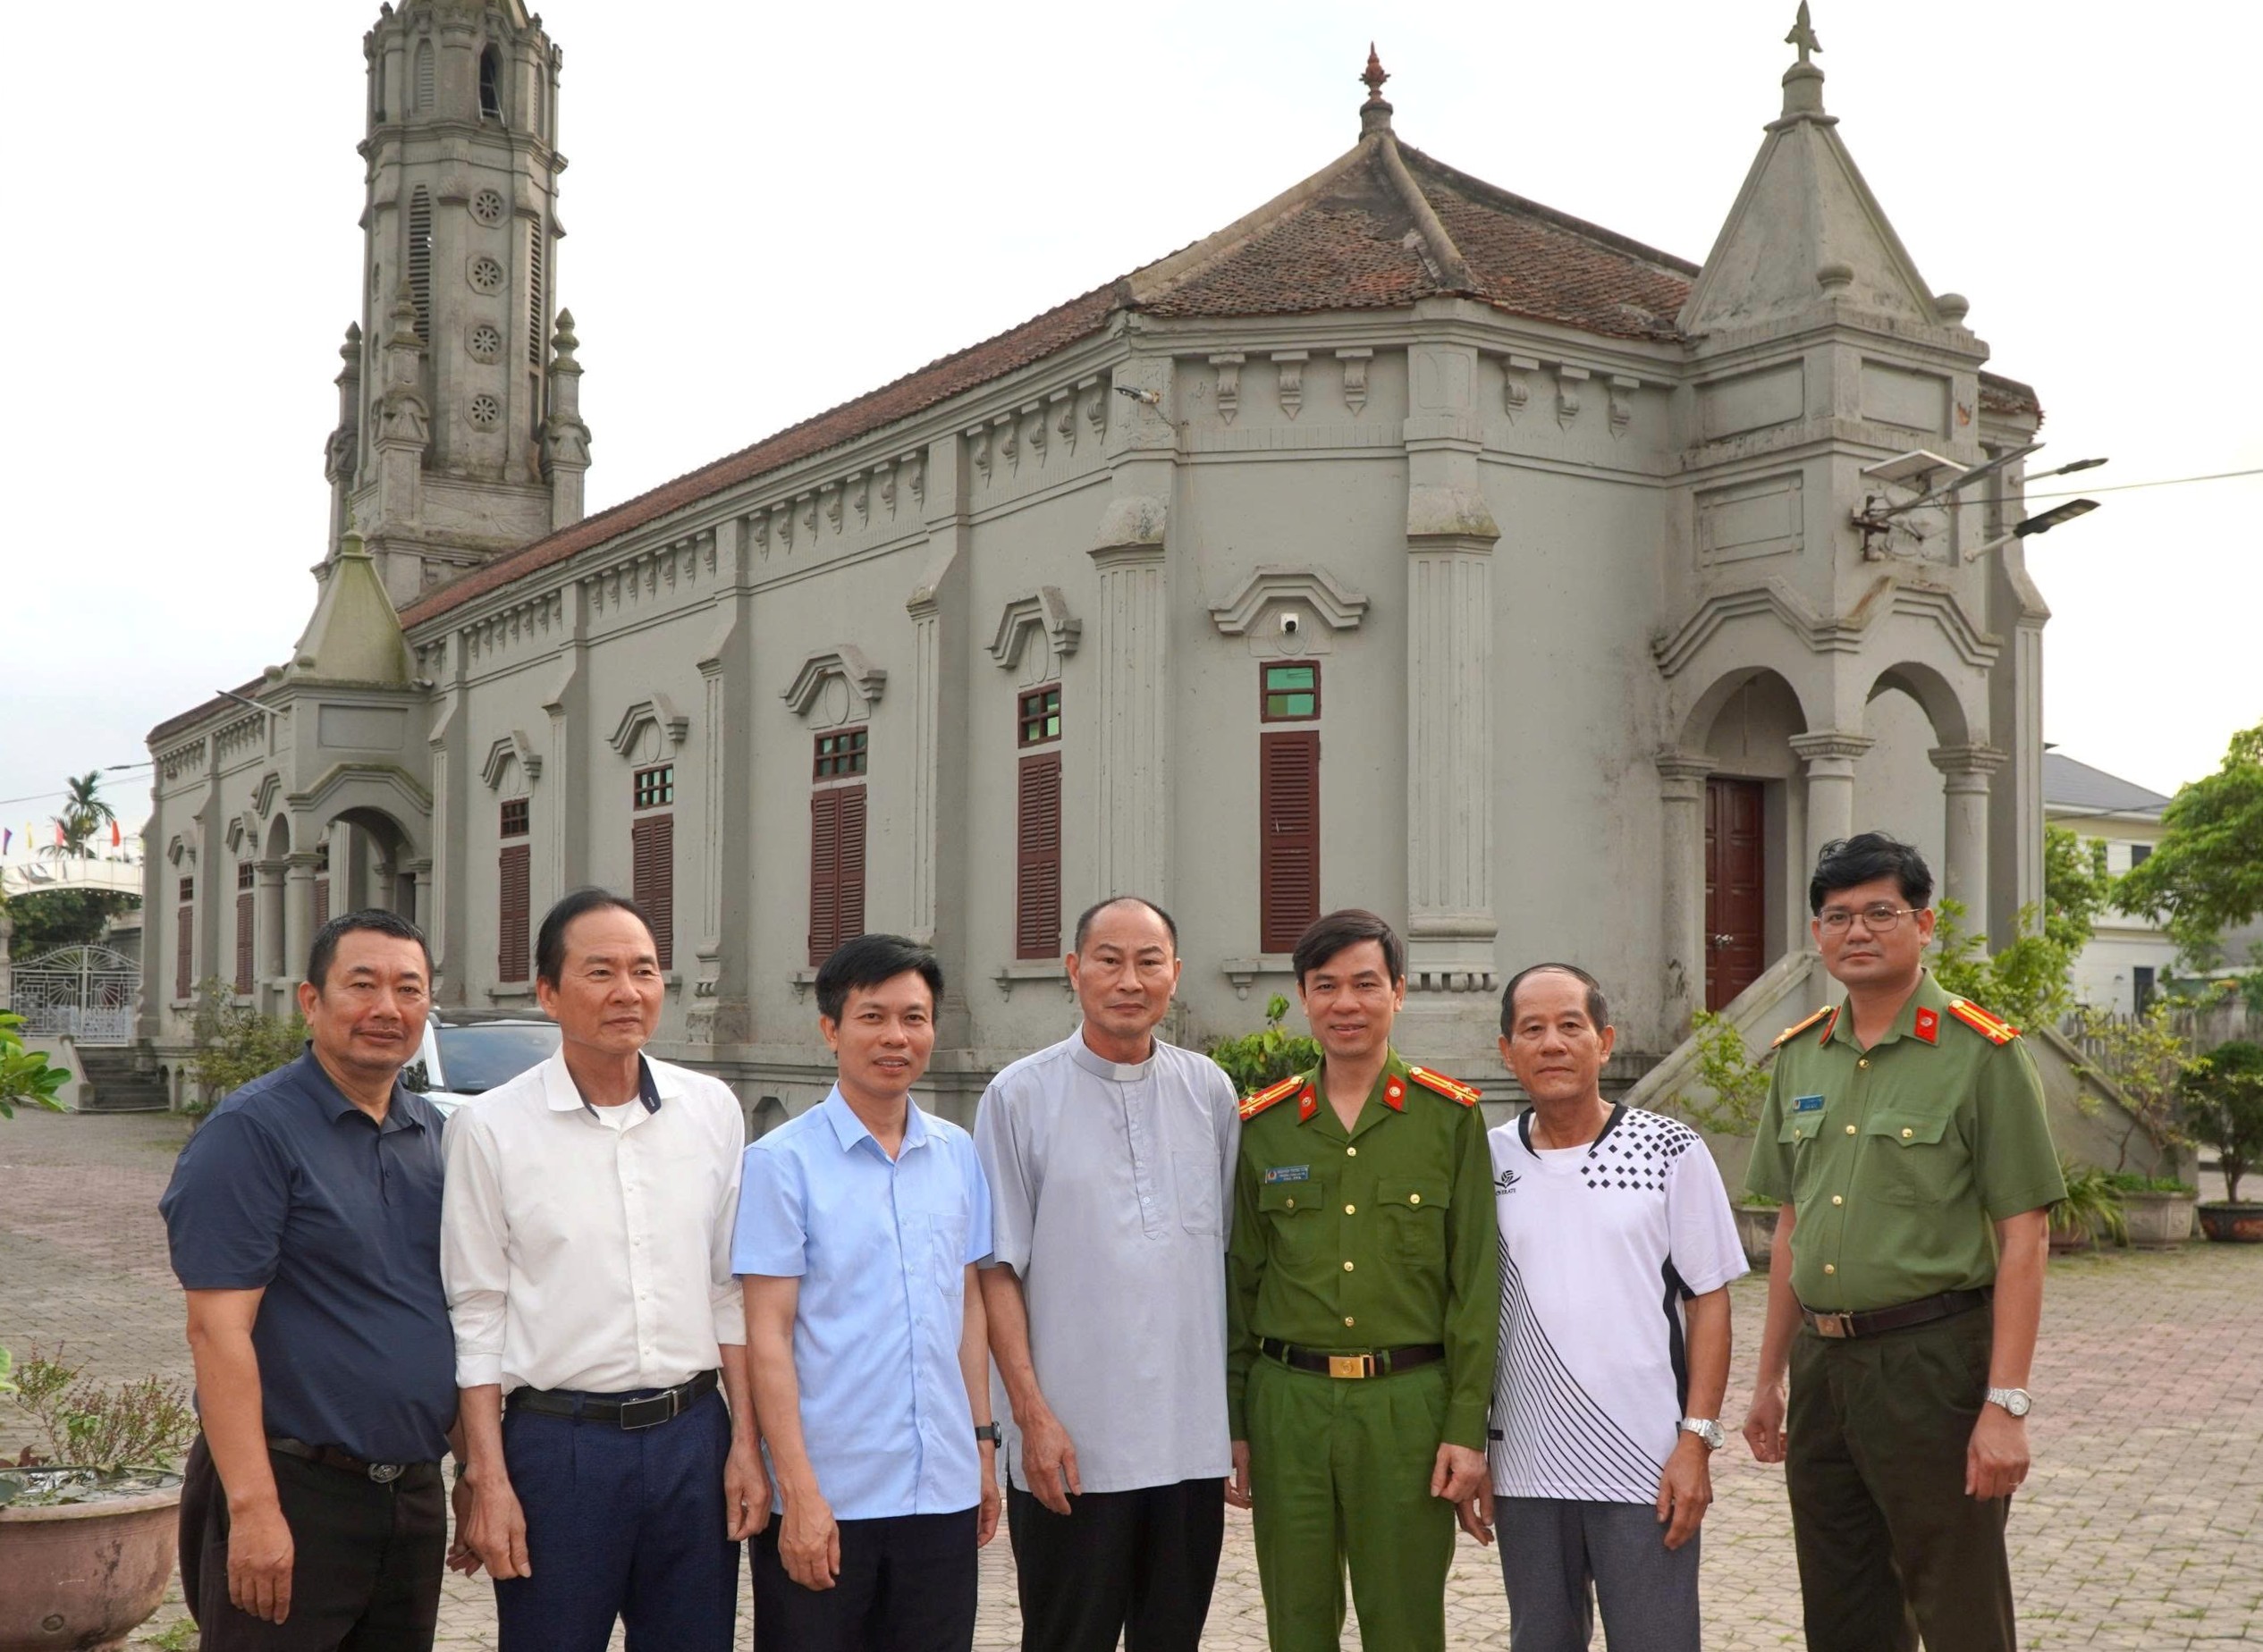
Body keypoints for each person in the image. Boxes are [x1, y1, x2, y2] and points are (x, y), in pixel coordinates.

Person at [1743, 833, 2065, 1652]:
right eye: (1837, 916)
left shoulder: (1980, 1054)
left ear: (1923, 925)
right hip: (1823, 1366)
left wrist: (2005, 1406)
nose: (1856, 931)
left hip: (1931, 1363)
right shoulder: (1800, 1058)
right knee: (1842, 1610)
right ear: (1816, 935)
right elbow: (1790, 1227)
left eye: (1879, 912)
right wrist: (1768, 1379)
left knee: (1956, 1607)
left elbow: (2023, 1237)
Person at [441, 889, 764, 1652]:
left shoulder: (711, 1110)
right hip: (559, 1450)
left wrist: (745, 1443)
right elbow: (476, 1310)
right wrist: (487, 1476)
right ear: (548, 993)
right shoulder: (490, 1128)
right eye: (600, 972)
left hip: (693, 1439)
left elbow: (728, 1290)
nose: (628, 991)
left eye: (644, 970)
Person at [160, 909, 461, 1652]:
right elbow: (216, 1330)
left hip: (410, 1495)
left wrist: (478, 1469)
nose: (387, 1008)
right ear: (310, 1001)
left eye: (408, 989)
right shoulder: (252, 1133)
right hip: (292, 1491)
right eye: (362, 985)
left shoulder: (436, 1137)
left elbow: (457, 1313)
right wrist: (255, 1510)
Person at [1225, 908, 1499, 1652]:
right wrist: (1236, 1422)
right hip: (1288, 1407)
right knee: (1296, 1621)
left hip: (1406, 1408)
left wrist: (1464, 1429)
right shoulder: (1263, 1126)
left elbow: (1474, 1287)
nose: (1345, 1003)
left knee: (1405, 1623)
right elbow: (1239, 1283)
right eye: (1325, 986)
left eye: (1365, 984)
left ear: (1398, 993)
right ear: (1303, 998)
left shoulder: (1449, 1119)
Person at [974, 896, 1241, 1652]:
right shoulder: (1018, 1097)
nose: (1129, 981)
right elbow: (995, 1270)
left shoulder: (1209, 1092)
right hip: (1072, 1447)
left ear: (1174, 974)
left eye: (1148, 962)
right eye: (1109, 960)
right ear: (1074, 970)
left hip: (1187, 1444)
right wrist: (1030, 1416)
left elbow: (1223, 1253)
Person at [1465, 963, 1746, 1651]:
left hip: (1645, 1464)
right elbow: (1464, 1312)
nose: (1551, 1044)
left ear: (1604, 1041)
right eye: (1531, 1029)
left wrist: (1695, 1441)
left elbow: (1708, 1302)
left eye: (1570, 1026)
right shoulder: (1482, 1159)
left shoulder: (1669, 1150)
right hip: (1524, 1467)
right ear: (1506, 1051)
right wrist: (1470, 1444)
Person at [734, 933, 1000, 1652]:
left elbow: (967, 1307)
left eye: (914, 1018)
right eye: (872, 1017)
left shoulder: (956, 1153)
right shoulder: (780, 1164)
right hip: (830, 1496)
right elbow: (767, 1336)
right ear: (831, 1029)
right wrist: (798, 1492)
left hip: (940, 1490)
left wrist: (981, 1448)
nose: (895, 1037)